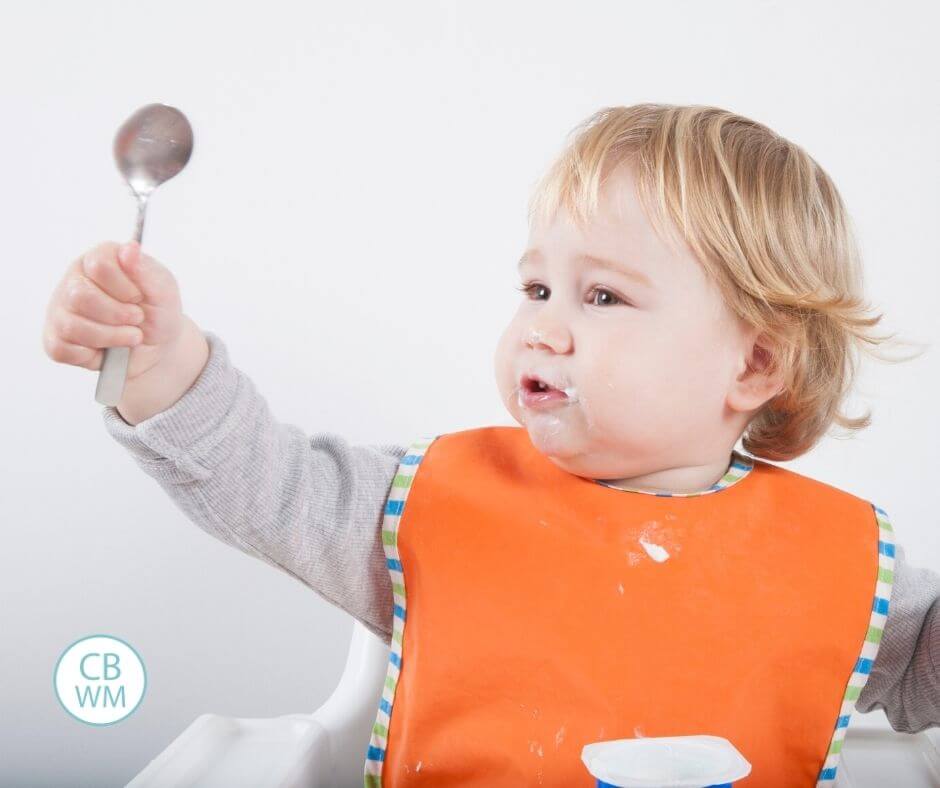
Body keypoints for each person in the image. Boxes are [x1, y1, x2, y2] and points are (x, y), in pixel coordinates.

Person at [43, 103, 938, 786]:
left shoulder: (845, 565)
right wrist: (162, 365)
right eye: (537, 287)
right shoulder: (433, 503)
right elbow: (258, 480)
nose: (542, 328)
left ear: (753, 364)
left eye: (602, 298)